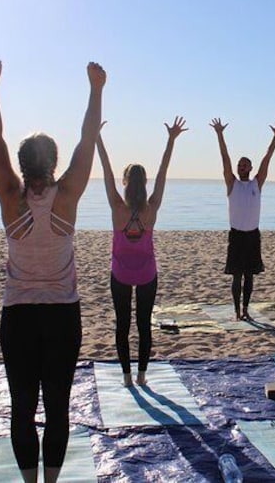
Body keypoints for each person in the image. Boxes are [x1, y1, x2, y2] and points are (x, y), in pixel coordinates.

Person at [0, 60, 103, 483]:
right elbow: (88, 138)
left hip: (18, 317)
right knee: (57, 406)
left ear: (21, 163)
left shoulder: (9, 196)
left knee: (22, 407)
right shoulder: (67, 195)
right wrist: (95, 87)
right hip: (61, 316)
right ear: (52, 161)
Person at [96, 117, 187, 388]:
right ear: (144, 182)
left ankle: (127, 377)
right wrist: (171, 141)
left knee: (122, 325)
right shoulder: (152, 207)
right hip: (147, 274)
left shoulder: (116, 206)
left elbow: (105, 168)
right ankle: (142, 376)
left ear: (124, 182)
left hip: (120, 274)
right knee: (144, 325)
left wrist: (98, 139)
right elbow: (163, 172)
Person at [210, 117, 275, 320]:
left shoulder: (256, 184)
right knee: (236, 276)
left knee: (249, 275)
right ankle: (236, 311)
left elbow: (266, 160)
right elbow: (224, 159)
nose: (242, 167)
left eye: (245, 165)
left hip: (253, 235)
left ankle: (245, 309)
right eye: (240, 165)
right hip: (236, 235)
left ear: (250, 169)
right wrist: (220, 134)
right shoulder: (231, 183)